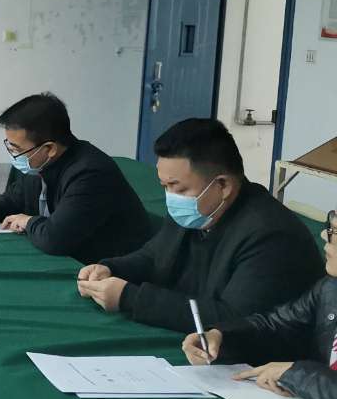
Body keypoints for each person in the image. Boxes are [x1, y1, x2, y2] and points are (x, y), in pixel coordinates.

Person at [78, 117, 323, 331]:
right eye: (164, 186)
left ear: (223, 185)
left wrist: (130, 298)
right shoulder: (198, 209)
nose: (171, 198)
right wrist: (111, 269)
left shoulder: (271, 236)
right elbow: (154, 257)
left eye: (178, 188)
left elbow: (235, 320)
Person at [0, 92, 151, 264]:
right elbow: (13, 199)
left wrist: (28, 222)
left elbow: (55, 239)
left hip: (110, 271)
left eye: (17, 149)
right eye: (10, 146)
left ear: (49, 149)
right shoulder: (40, 163)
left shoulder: (90, 174)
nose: (13, 155)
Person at [180, 209, 335, 399]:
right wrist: (221, 338)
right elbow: (278, 326)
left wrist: (296, 374)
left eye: (335, 231)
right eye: (330, 226)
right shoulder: (330, 288)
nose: (324, 235)